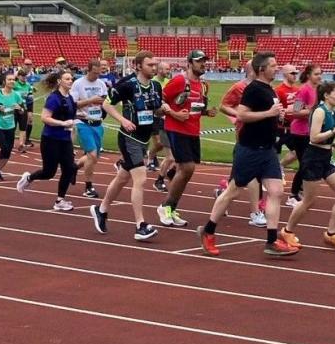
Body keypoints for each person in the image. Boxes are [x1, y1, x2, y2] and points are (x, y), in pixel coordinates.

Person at [199, 51, 295, 257]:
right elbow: (242, 114)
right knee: (233, 191)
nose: (276, 68)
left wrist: (278, 116)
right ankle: (208, 231)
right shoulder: (253, 89)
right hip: (250, 149)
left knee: (276, 191)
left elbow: (269, 114)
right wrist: (269, 114)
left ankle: (271, 241)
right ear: (262, 69)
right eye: (273, 65)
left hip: (267, 149)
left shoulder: (270, 89)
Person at [90, 51, 164, 243]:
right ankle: (140, 225)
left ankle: (102, 209)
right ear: (139, 66)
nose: (154, 68)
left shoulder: (156, 86)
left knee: (123, 177)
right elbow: (107, 105)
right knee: (140, 179)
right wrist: (122, 120)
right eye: (150, 65)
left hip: (144, 138)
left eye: (155, 65)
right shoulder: (128, 86)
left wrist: (165, 110)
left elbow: (155, 108)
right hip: (129, 137)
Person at [279, 81, 335, 250]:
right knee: (309, 200)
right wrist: (334, 131)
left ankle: (331, 234)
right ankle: (287, 231)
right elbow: (313, 137)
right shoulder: (315, 105)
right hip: (312, 156)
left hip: (326, 156)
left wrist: (332, 143)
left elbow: (324, 137)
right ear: (326, 95)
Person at [157, 50, 214, 227]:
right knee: (187, 168)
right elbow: (159, 101)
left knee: (187, 171)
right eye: (199, 61)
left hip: (193, 130)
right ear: (189, 63)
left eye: (204, 61)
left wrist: (206, 112)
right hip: (176, 128)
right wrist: (174, 113)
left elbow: (196, 108)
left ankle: (171, 208)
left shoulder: (204, 85)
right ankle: (165, 206)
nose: (203, 64)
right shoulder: (180, 81)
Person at [16, 70, 80, 211]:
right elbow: (45, 117)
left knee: (69, 168)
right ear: (59, 81)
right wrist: (63, 124)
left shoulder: (70, 98)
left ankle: (60, 200)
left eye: (71, 78)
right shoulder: (53, 98)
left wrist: (78, 121)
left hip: (65, 140)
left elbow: (71, 116)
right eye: (67, 78)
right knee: (49, 172)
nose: (71, 81)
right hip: (51, 139)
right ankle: (28, 178)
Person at [214, 60, 264, 226]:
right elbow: (223, 106)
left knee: (242, 175)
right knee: (253, 173)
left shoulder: (264, 86)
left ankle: (223, 193)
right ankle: (256, 212)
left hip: (262, 135)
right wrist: (239, 115)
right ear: (251, 69)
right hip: (245, 136)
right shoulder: (239, 87)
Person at [71, 59, 111, 200]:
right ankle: (88, 187)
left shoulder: (101, 84)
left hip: (97, 123)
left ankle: (74, 168)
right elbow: (73, 104)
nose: (103, 69)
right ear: (92, 68)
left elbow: (105, 101)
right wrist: (90, 100)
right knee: (93, 155)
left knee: (93, 157)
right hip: (83, 122)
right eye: (100, 66)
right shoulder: (78, 83)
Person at [284, 64, 322, 206]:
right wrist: (313, 111)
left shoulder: (317, 89)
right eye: (316, 74)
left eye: (320, 73)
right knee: (305, 163)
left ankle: (299, 191)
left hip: (311, 131)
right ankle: (293, 194)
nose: (319, 76)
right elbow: (296, 111)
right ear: (308, 75)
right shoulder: (304, 90)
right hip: (300, 132)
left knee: (309, 163)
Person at [0, 72, 25, 181]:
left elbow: (22, 111)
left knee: (8, 151)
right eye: (9, 79)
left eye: (13, 79)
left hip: (10, 126)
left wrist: (19, 109)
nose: (12, 81)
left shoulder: (16, 95)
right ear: (4, 81)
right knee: (4, 148)